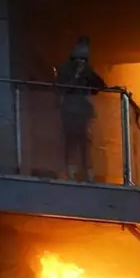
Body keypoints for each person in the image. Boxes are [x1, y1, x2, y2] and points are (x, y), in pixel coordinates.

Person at [55, 36, 106, 181]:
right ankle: (70, 169)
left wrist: (88, 75)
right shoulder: (65, 70)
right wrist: (76, 76)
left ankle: (87, 170)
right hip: (70, 111)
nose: (81, 63)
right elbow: (63, 87)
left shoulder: (87, 71)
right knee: (71, 140)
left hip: (82, 111)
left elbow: (101, 85)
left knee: (84, 142)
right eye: (80, 60)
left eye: (84, 60)